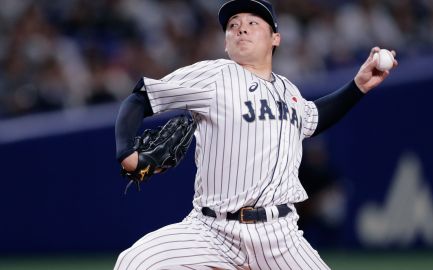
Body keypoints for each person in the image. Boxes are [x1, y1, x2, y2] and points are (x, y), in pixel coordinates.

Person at [114, 0, 398, 269]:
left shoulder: (290, 92)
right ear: (226, 43)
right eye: (233, 25)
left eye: (253, 22)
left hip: (280, 235)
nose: (241, 28)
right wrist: (126, 152)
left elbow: (314, 118)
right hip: (212, 230)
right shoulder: (213, 76)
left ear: (276, 38)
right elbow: (140, 99)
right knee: (133, 262)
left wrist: (358, 86)